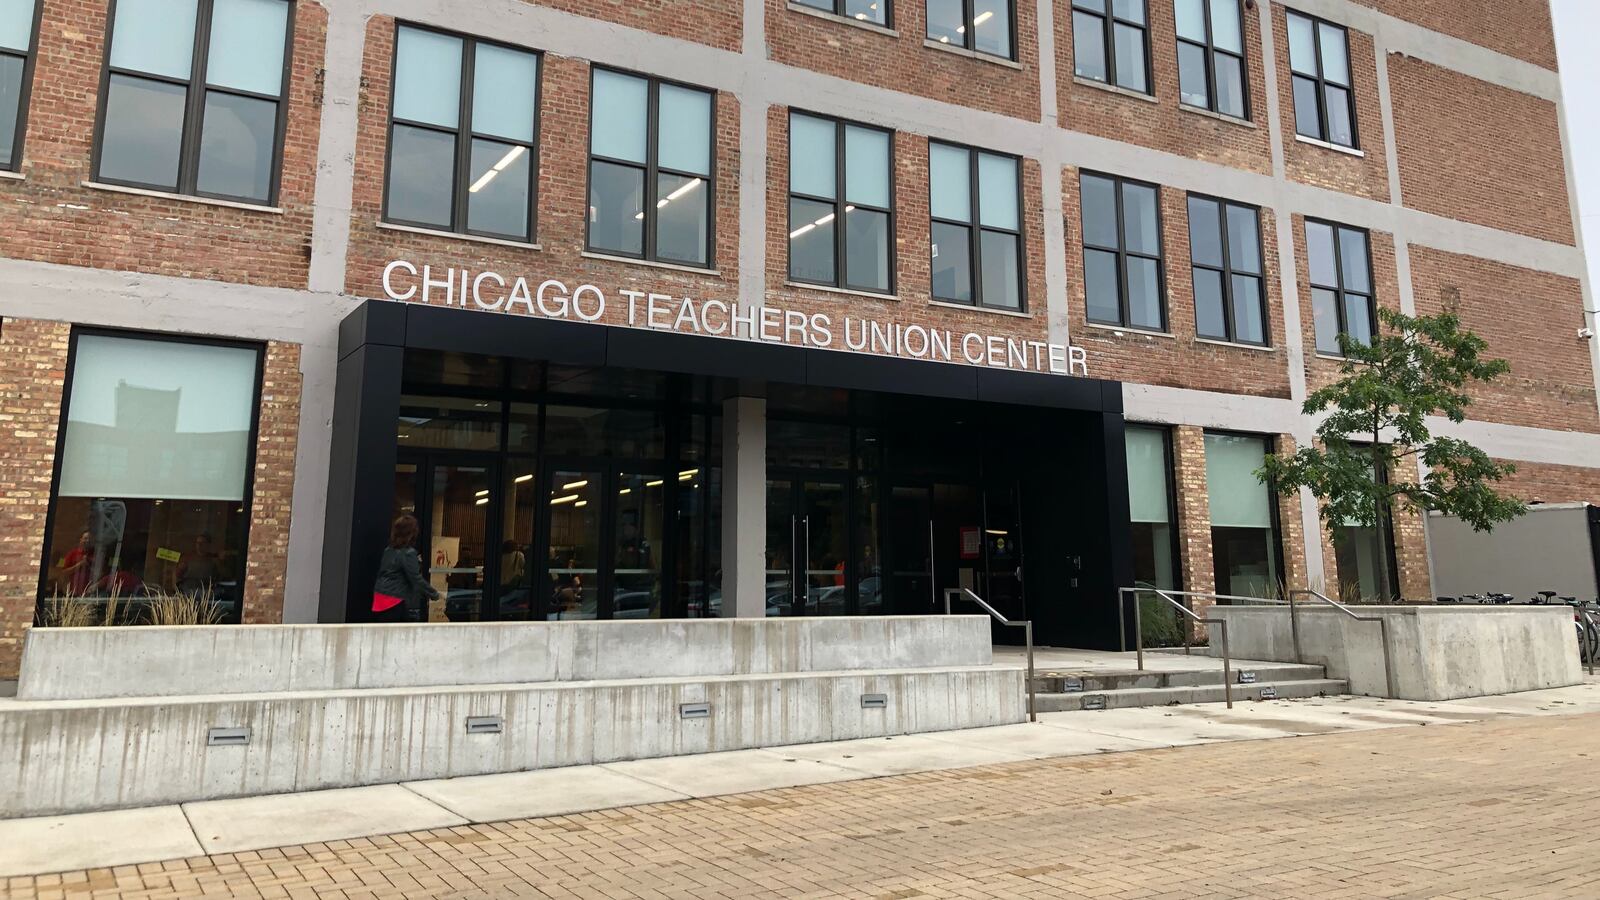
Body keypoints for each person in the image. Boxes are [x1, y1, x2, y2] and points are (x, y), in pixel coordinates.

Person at [372, 515, 438, 623]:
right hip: (394, 600)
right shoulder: (408, 553)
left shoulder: (388, 550)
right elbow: (416, 579)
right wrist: (434, 594)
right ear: (412, 533)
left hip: (379, 599)